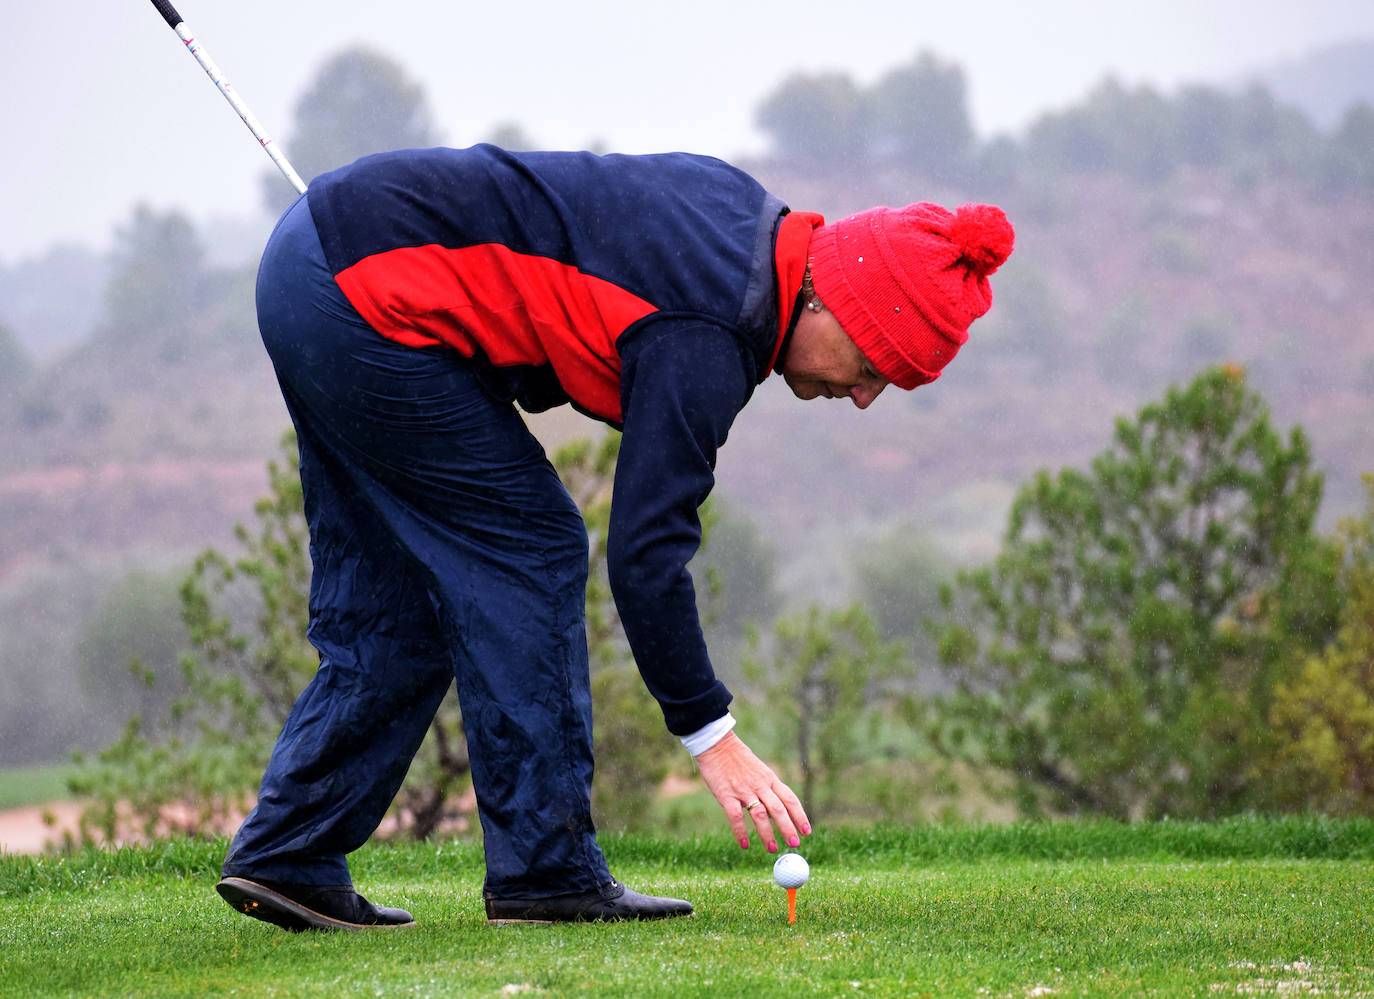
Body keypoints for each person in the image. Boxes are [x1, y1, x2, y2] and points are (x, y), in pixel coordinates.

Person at [213, 143, 1014, 931]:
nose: (866, 395)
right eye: (876, 364)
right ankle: (546, 874)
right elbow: (646, 550)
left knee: (405, 589)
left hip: (315, 263)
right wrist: (712, 733)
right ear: (828, 302)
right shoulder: (707, 333)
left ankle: (291, 854)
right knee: (534, 547)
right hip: (363, 293)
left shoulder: (746, 228)